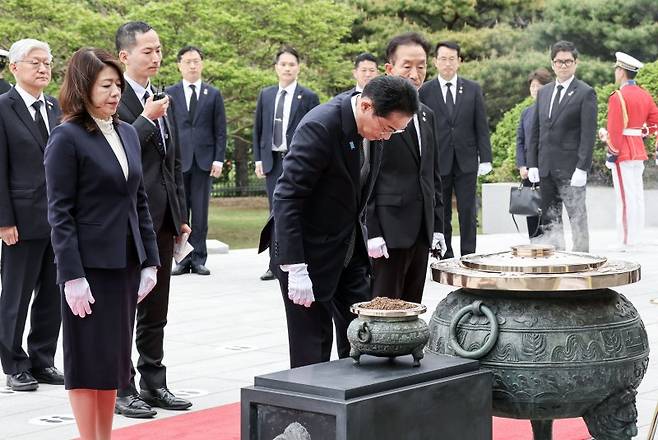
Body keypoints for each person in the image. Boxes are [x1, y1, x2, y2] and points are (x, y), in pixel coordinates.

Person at [259, 75, 419, 368]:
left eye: (396, 131)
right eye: (387, 128)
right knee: (313, 345)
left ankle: (358, 409)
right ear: (368, 106)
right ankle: (308, 411)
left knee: (364, 334)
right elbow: (287, 197)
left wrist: (369, 234)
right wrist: (295, 266)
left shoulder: (377, 132)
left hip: (347, 248)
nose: (387, 136)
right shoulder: (321, 127)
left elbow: (359, 191)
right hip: (307, 252)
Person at [44, 47, 160, 440]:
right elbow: (59, 212)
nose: (115, 93)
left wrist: (149, 261)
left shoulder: (127, 131)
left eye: (118, 85)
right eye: (106, 85)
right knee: (85, 361)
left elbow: (138, 199)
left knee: (113, 360)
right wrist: (71, 275)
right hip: (88, 268)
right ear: (83, 87)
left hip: (124, 263)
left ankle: (104, 436)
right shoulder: (67, 137)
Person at [114, 21, 192, 418]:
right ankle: (121, 386)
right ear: (125, 56)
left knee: (156, 309)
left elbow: (172, 164)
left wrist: (181, 216)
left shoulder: (163, 98)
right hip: (126, 221)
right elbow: (116, 149)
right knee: (126, 306)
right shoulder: (114, 96)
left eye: (159, 49)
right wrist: (145, 118)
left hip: (161, 220)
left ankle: (154, 382)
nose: (157, 57)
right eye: (148, 51)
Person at [0, 38, 63, 392]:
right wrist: (3, 219)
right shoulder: (3, 108)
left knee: (52, 294)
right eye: (36, 63)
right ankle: (14, 364)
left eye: (48, 63)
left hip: (58, 220)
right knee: (16, 295)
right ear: (15, 67)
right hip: (20, 220)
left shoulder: (56, 107)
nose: (43, 69)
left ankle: (43, 360)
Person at [367, 32, 445, 304]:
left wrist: (438, 226)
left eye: (421, 66)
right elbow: (367, 178)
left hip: (421, 228)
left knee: (412, 304)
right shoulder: (375, 113)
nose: (415, 73)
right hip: (388, 230)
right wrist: (372, 230)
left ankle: (408, 349)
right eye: (407, 66)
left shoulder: (426, 114)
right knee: (384, 306)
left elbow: (432, 175)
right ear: (390, 69)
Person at [419, 41, 492, 258]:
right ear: (435, 62)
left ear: (459, 61)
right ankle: (446, 254)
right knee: (441, 211)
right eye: (443, 58)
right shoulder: (425, 90)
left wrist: (485, 158)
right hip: (438, 160)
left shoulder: (472, 89)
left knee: (468, 211)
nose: (448, 63)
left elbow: (481, 125)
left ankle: (469, 254)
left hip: (467, 159)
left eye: (452, 59)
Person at [253, 46, 320, 281]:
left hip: (297, 162)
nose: (287, 68)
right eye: (283, 64)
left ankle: (298, 258)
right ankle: (274, 263)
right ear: (276, 68)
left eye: (292, 64)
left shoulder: (308, 96)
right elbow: (258, 128)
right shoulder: (267, 94)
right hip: (272, 160)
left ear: (298, 68)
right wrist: (258, 158)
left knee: (295, 210)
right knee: (274, 213)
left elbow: (316, 131)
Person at [527, 40, 597, 252]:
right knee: (550, 219)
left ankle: (581, 260)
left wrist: (582, 168)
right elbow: (536, 130)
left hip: (571, 170)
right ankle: (556, 259)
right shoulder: (544, 92)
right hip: (546, 168)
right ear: (552, 63)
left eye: (568, 61)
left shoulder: (585, 93)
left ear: (576, 63)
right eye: (559, 61)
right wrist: (532, 164)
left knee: (577, 218)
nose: (563, 65)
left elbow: (588, 134)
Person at [167, 45, 227, 276]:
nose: (192, 65)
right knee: (181, 214)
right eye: (188, 61)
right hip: (179, 161)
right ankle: (182, 259)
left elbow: (220, 130)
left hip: (204, 161)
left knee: (200, 214)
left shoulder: (213, 94)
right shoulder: (170, 94)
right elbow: (168, 128)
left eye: (196, 61)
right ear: (179, 65)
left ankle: (199, 258)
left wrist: (219, 159)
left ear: (202, 64)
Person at [599, 52, 658, 248]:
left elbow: (615, 131)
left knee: (624, 198)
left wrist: (611, 153)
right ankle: (636, 237)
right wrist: (641, 131)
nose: (616, 72)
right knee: (637, 196)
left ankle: (625, 240)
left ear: (622, 71)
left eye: (617, 69)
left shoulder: (618, 96)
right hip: (638, 151)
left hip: (622, 152)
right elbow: (654, 124)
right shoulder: (644, 94)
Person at [515, 68, 553, 239]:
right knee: (532, 212)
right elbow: (520, 140)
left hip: (547, 169)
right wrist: (522, 165)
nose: (535, 90)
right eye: (532, 87)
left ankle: (552, 246)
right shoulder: (526, 113)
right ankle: (534, 245)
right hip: (529, 171)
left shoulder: (552, 111)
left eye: (538, 86)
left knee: (549, 211)